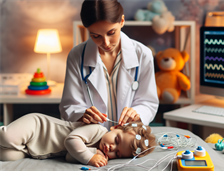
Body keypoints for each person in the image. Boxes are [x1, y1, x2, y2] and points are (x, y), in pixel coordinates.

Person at [59, 0, 159, 129]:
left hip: (126, 136)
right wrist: (82, 114)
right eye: (96, 36)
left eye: (111, 33)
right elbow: (69, 106)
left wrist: (136, 113)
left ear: (122, 21)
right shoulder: (77, 56)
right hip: (91, 137)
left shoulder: (143, 54)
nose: (105, 43)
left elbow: (148, 103)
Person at [0, 113, 156, 167]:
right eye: (116, 140)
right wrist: (89, 157)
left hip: (33, 149)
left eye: (118, 153)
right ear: (115, 128)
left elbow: (69, 155)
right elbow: (71, 140)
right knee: (6, 137)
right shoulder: (98, 130)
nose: (111, 148)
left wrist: (94, 153)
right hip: (38, 128)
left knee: (7, 156)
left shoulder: (99, 151)